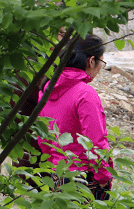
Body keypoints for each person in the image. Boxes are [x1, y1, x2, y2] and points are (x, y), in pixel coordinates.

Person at [38, 34, 112, 200]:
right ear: (91, 61)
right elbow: (96, 141)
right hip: (83, 178)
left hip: (55, 175)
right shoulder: (85, 94)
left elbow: (43, 139)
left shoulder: (45, 89)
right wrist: (103, 176)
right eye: (102, 62)